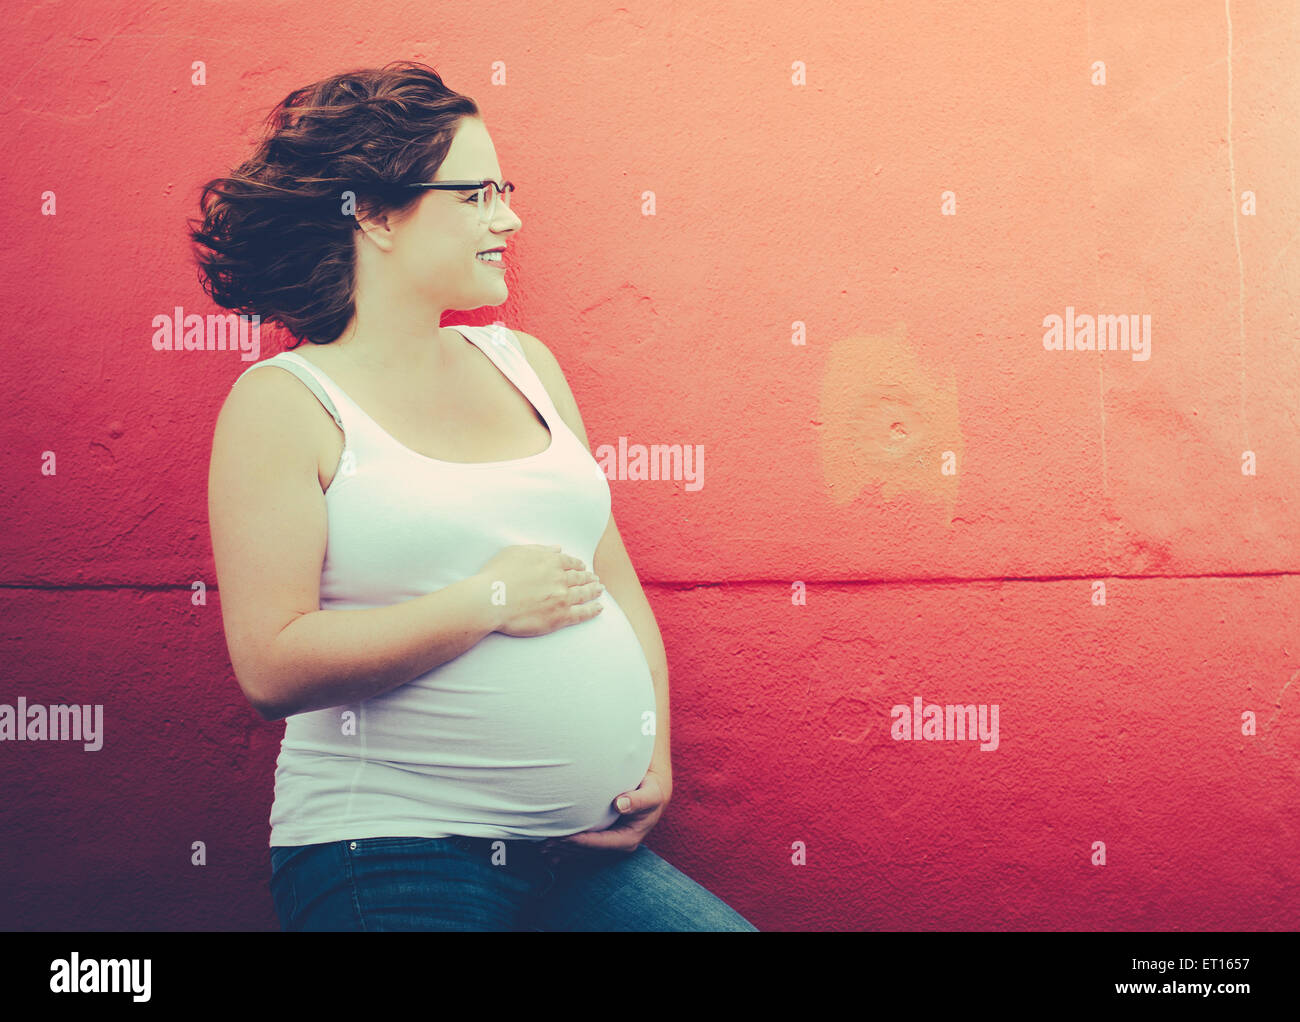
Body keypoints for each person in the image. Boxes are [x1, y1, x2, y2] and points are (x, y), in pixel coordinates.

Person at [194, 60, 757, 931]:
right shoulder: (285, 403)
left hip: (576, 850)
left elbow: (611, 581)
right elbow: (272, 665)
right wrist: (487, 601)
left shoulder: (526, 366)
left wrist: (656, 750)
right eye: (476, 194)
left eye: (507, 189)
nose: (510, 217)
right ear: (374, 214)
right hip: (390, 849)